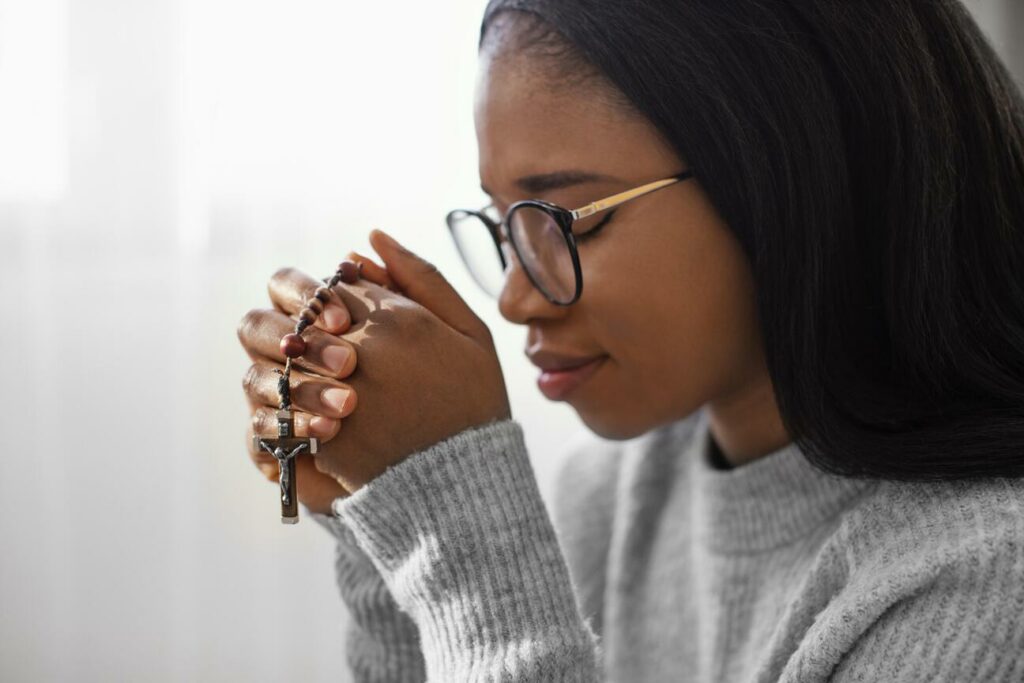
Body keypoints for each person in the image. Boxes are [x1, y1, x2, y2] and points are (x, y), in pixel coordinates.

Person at [236, 0, 1024, 680]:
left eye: (569, 221)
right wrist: (392, 527)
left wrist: (459, 528)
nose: (514, 298)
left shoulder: (985, 577)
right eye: (505, 226)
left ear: (790, 176)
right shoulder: (606, 503)